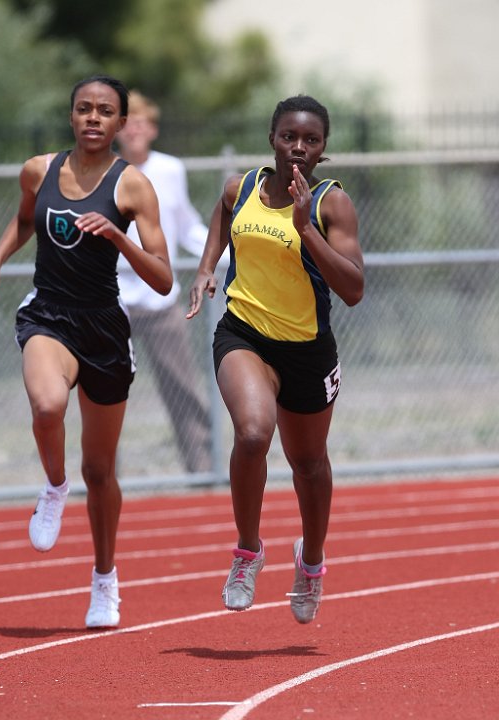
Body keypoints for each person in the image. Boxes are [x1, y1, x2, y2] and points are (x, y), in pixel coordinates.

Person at [0, 75, 173, 629]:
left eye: (105, 111)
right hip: (48, 313)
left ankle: (104, 579)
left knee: (100, 469)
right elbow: (25, 219)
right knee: (47, 406)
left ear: (120, 124)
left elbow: (163, 279)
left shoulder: (133, 186)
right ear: (71, 117)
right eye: (84, 109)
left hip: (105, 329)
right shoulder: (38, 170)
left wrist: (118, 237)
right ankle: (52, 485)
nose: (93, 118)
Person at [187, 95, 364, 624]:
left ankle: (310, 561)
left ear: (322, 150)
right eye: (290, 136)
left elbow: (354, 289)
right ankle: (248, 551)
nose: (299, 148)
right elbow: (223, 217)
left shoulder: (333, 203)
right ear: (272, 138)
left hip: (308, 349)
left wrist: (307, 227)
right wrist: (204, 269)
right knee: (252, 433)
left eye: (311, 140)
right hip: (246, 333)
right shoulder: (240, 188)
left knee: (308, 464)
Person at [115, 91, 211, 473]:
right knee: (106, 392)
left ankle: (204, 468)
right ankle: (106, 475)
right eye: (127, 122)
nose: (134, 129)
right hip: (114, 297)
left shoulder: (170, 170)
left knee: (183, 386)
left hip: (160, 296)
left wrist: (227, 253)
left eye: (141, 122)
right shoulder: (105, 170)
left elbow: (187, 226)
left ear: (152, 129)